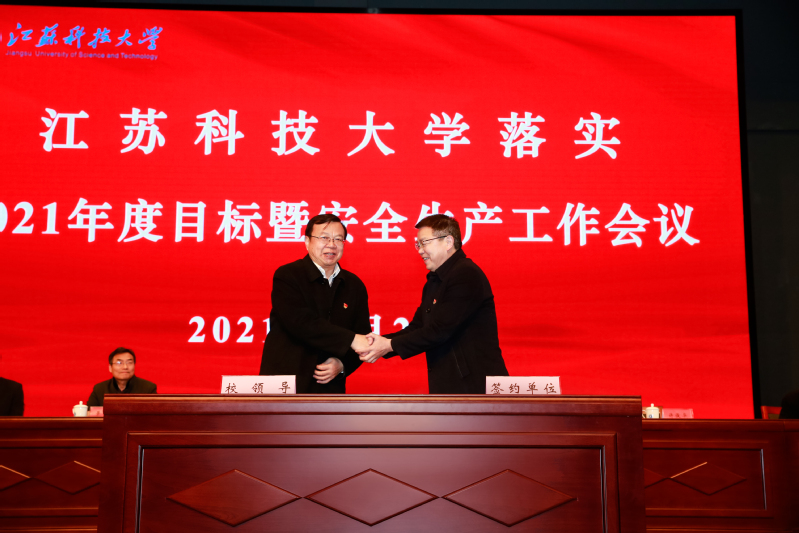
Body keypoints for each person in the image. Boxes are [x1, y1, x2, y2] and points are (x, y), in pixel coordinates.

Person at [360, 214, 509, 393]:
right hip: (452, 386)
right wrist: (382, 343)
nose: (420, 250)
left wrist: (388, 345)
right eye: (418, 244)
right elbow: (417, 327)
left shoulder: (466, 274)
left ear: (448, 242)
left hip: (477, 387)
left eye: (424, 243)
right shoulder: (435, 281)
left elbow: (440, 331)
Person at [259, 214, 372, 393]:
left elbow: (362, 336)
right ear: (307, 241)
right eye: (324, 238)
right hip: (284, 383)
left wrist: (343, 365)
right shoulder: (288, 275)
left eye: (338, 239)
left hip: (329, 388)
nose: (331, 244)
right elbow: (301, 323)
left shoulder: (354, 285)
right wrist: (350, 340)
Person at [87, 347, 157, 407]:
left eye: (129, 363)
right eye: (119, 363)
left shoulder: (148, 389)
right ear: (110, 367)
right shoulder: (99, 389)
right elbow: (89, 414)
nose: (125, 367)